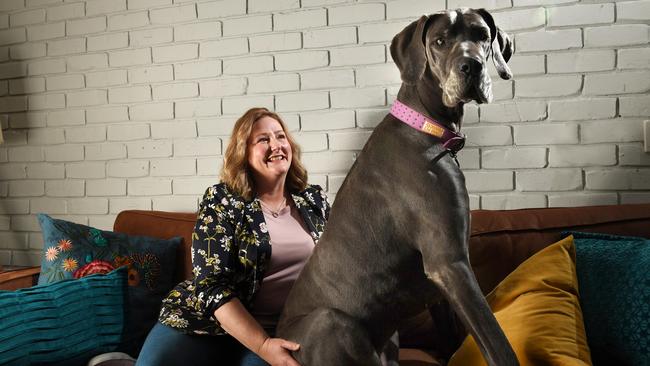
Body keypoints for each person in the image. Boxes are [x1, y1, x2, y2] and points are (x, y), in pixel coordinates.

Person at [136, 107, 330, 366]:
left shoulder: (313, 200)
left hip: (279, 329)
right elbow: (211, 285)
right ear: (244, 152)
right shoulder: (222, 201)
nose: (276, 145)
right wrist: (261, 346)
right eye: (263, 139)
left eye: (281, 136)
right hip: (205, 321)